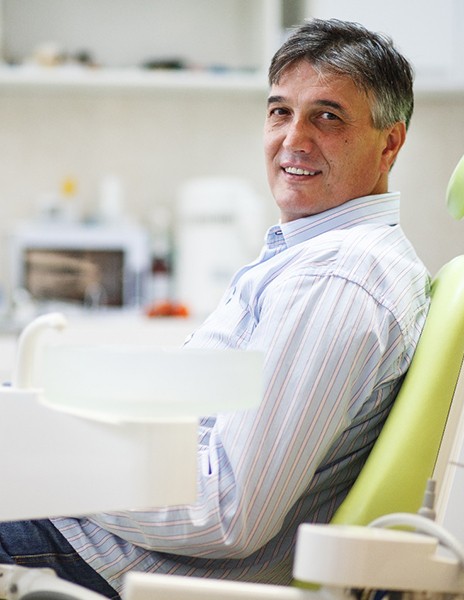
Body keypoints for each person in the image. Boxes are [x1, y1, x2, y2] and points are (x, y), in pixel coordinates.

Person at [0, 18, 430, 599]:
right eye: (280, 111)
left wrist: (53, 470)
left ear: (390, 143)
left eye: (328, 117)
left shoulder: (338, 279)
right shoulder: (310, 256)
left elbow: (228, 513)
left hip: (108, 562)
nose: (294, 139)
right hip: (109, 538)